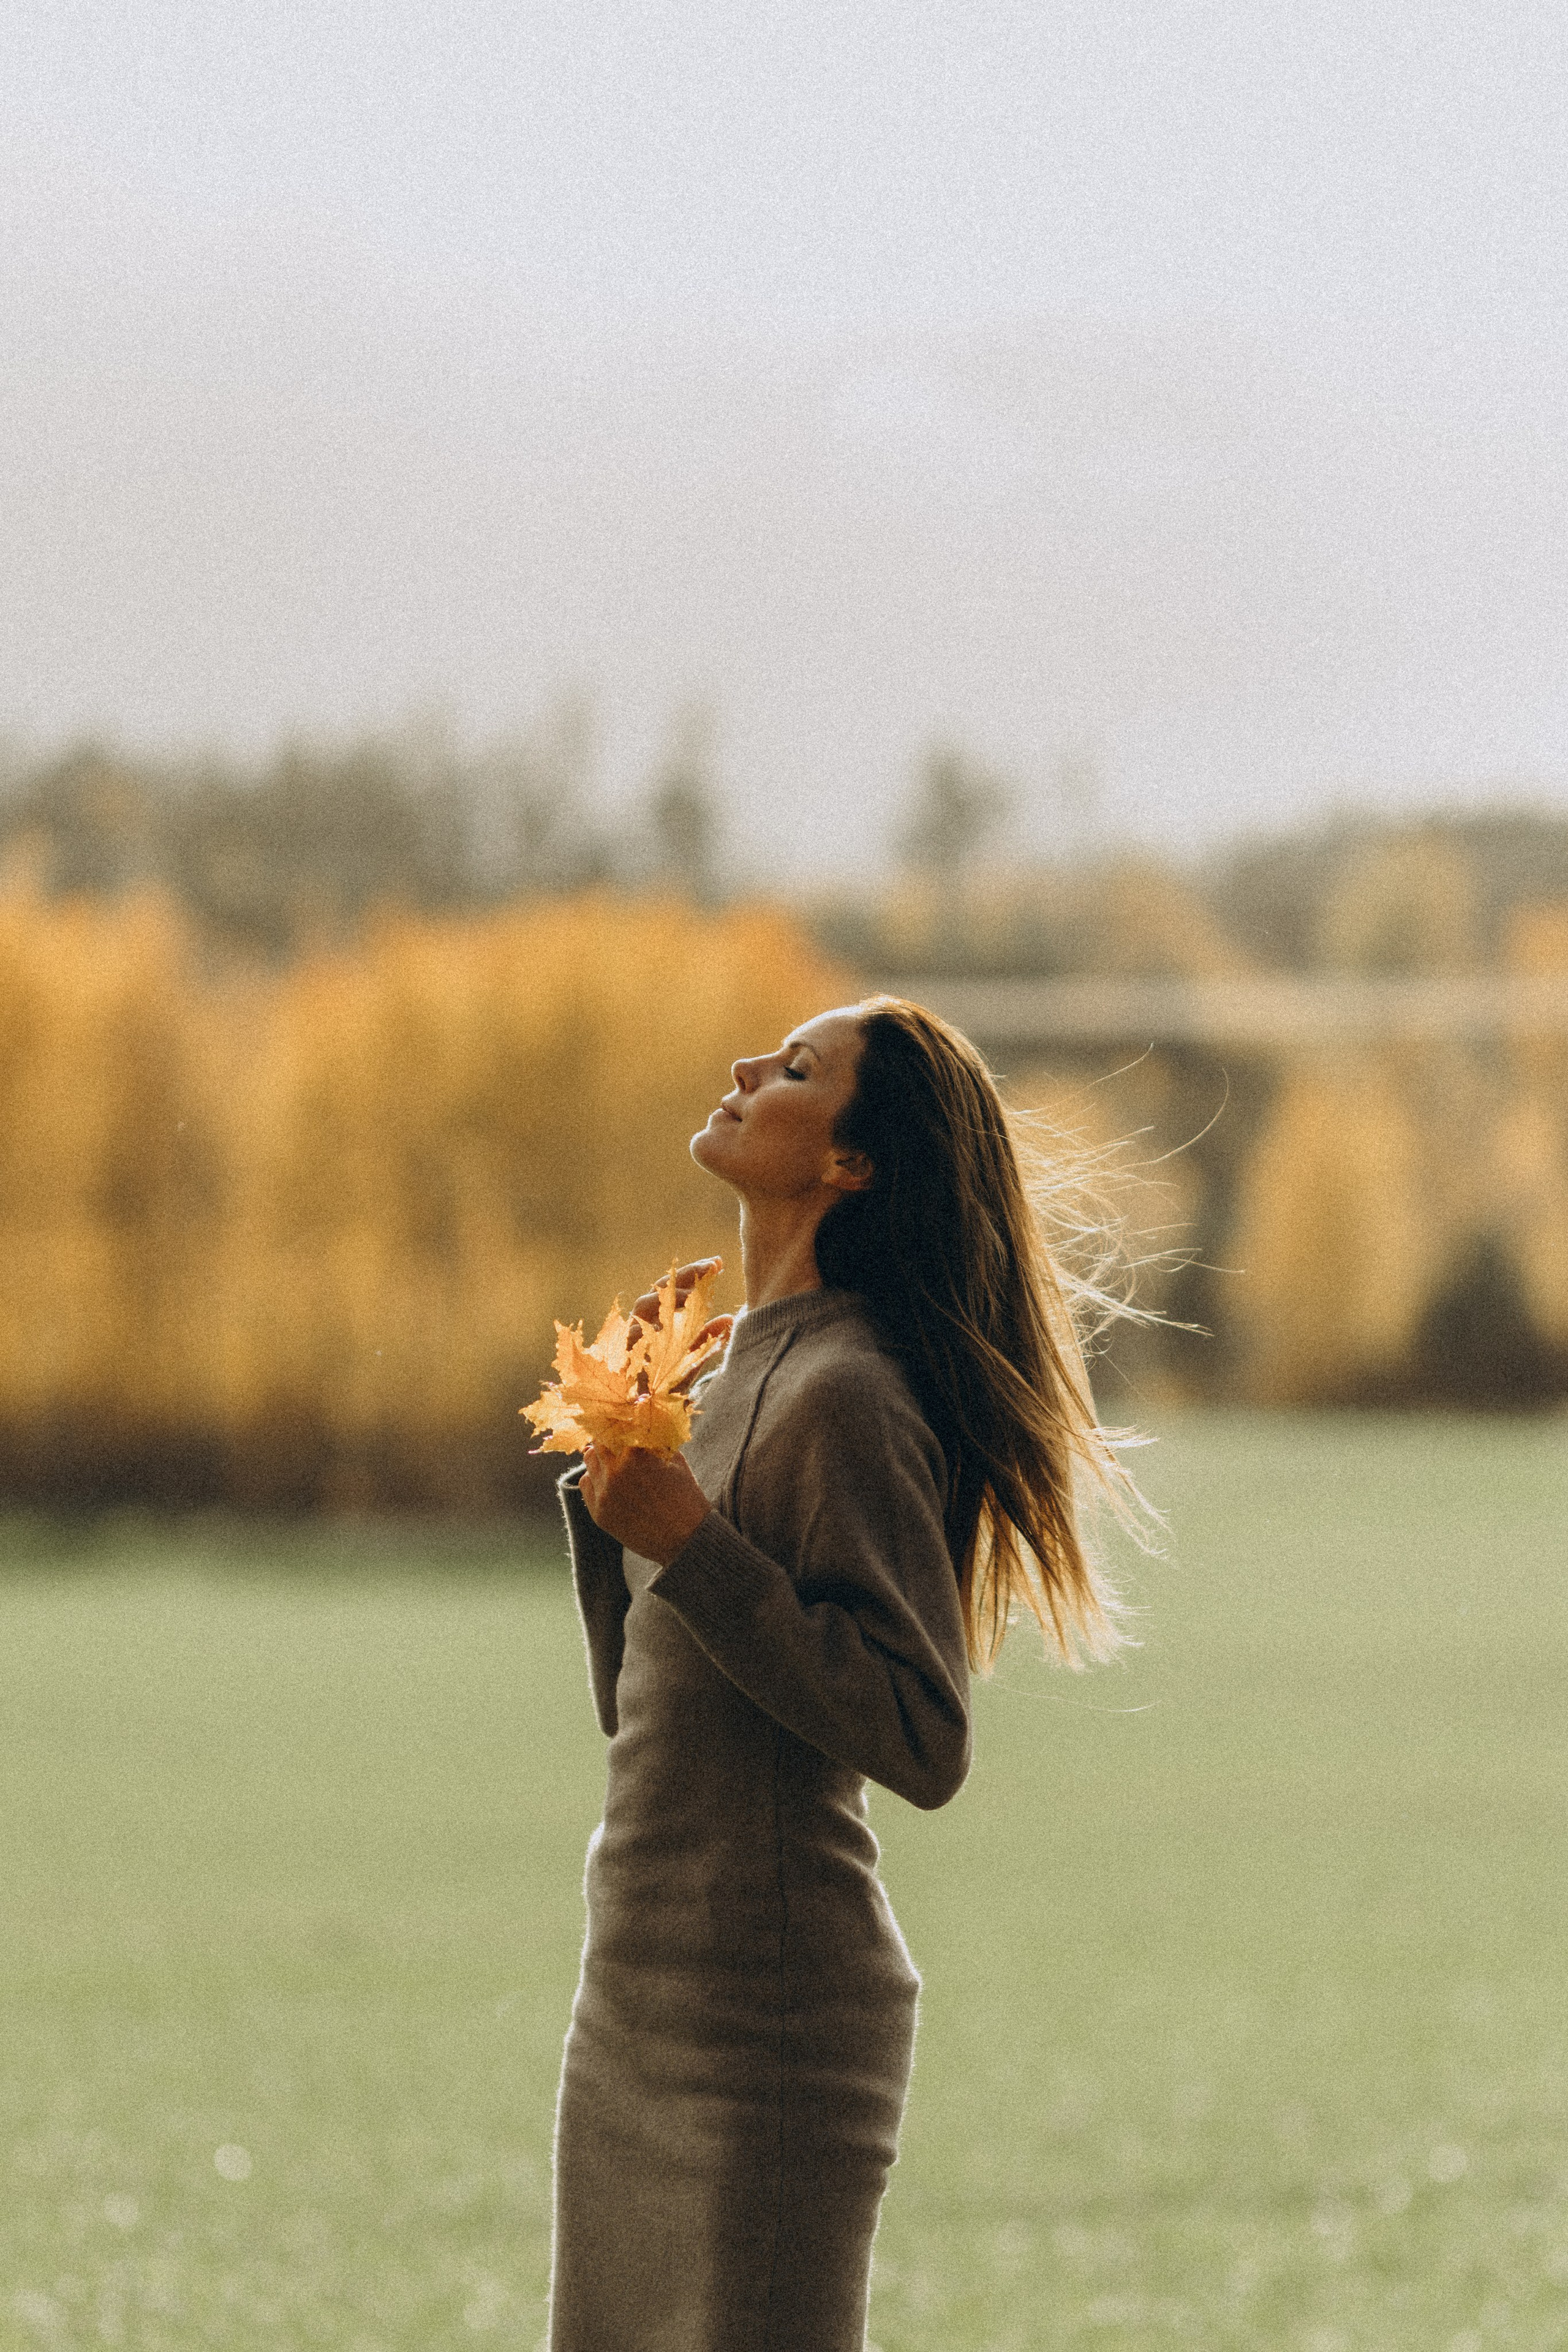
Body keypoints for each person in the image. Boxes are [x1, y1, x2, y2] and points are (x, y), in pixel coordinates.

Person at [549, 996, 1142, 2352]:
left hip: (764, 2024)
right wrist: (613, 1491)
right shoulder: (722, 1371)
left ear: (853, 1163)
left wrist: (688, 1539)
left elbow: (922, 1738)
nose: (747, 1066)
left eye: (798, 1072)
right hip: (639, 1985)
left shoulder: (850, 1394)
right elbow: (647, 1707)